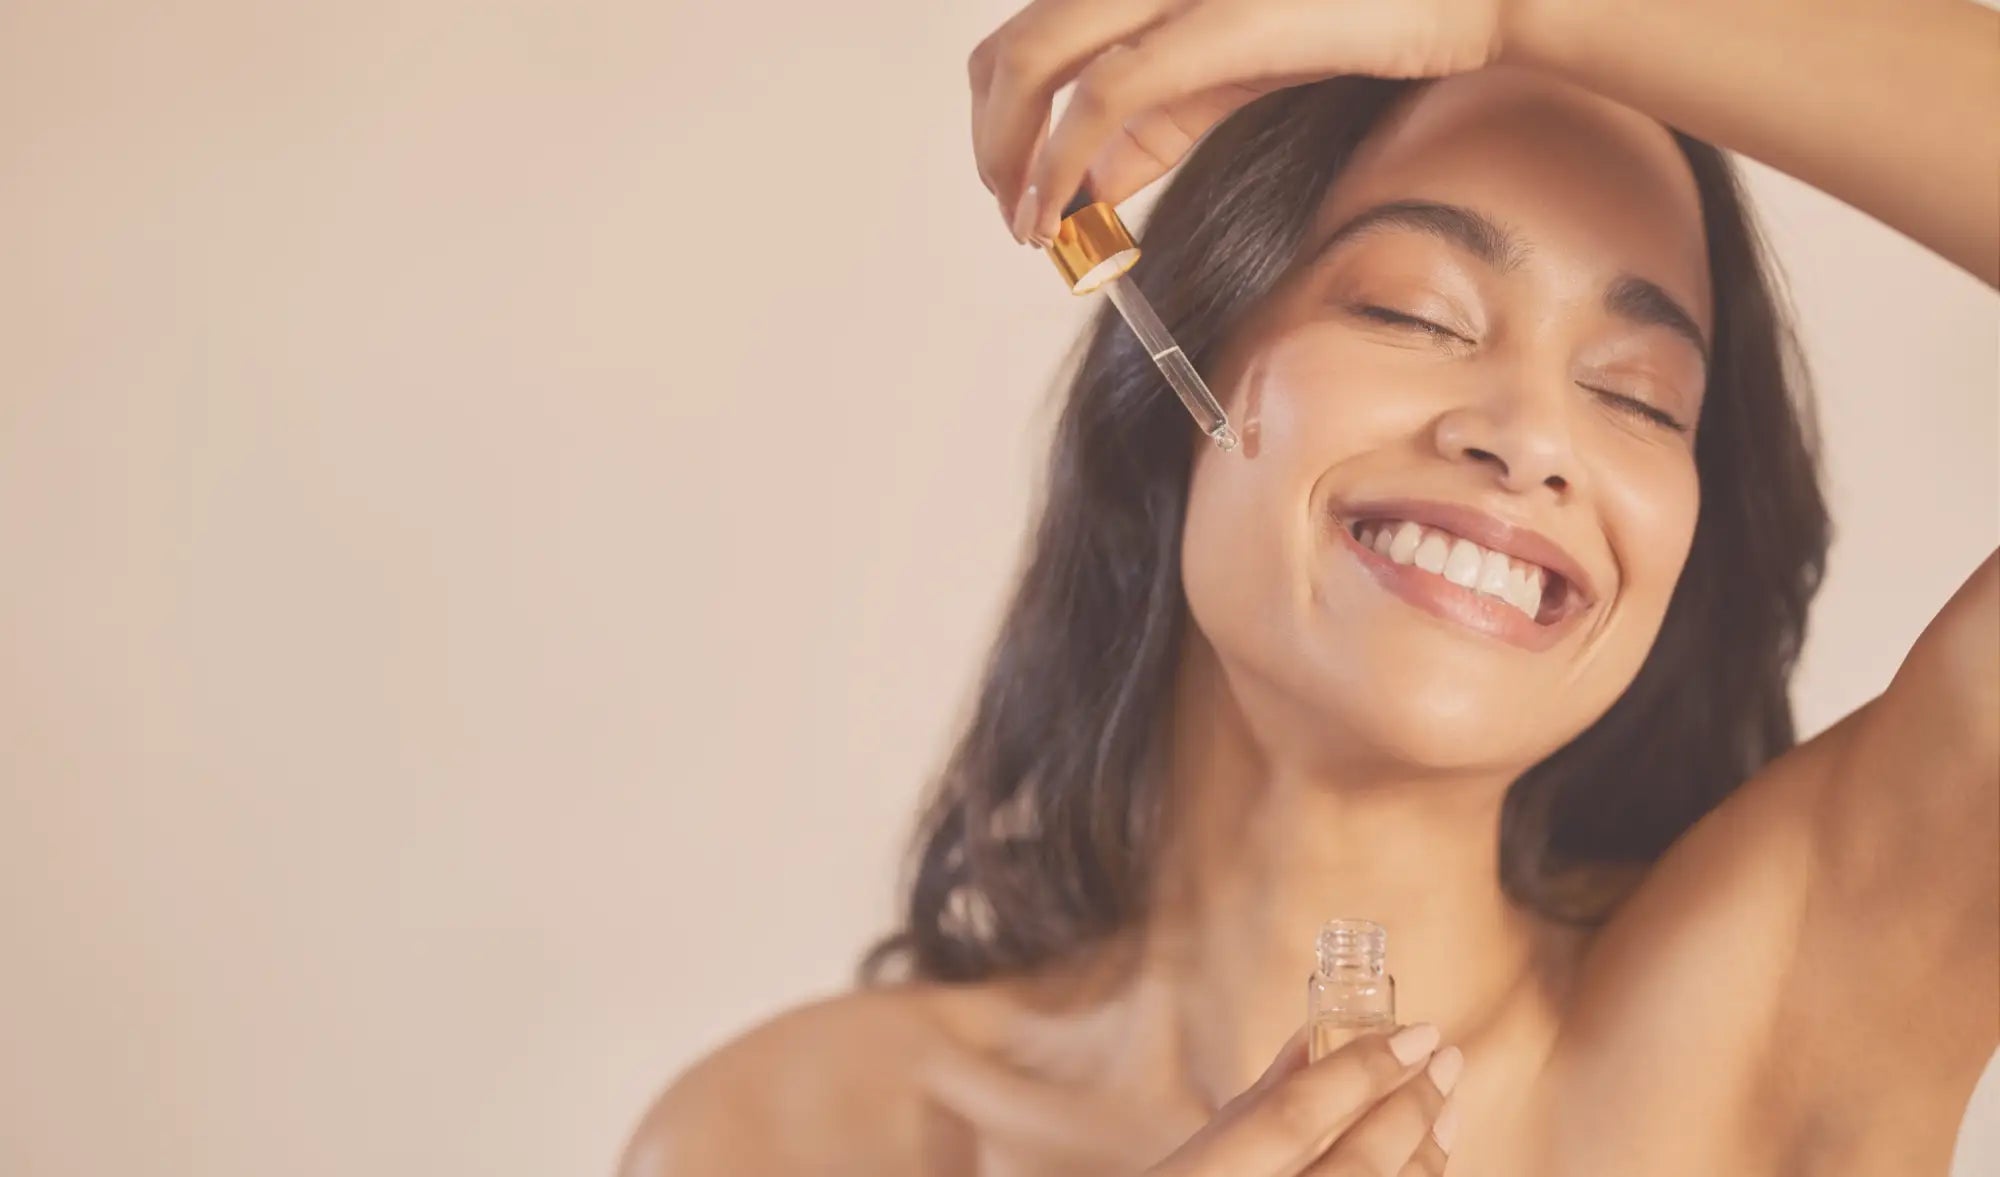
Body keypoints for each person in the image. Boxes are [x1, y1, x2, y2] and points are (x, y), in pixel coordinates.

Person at [623, 0, 1999, 1172]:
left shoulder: (1784, 1008)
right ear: (1181, 387)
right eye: (1410, 311)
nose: (1528, 438)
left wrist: (1506, 5)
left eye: (1640, 399)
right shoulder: (793, 1129)